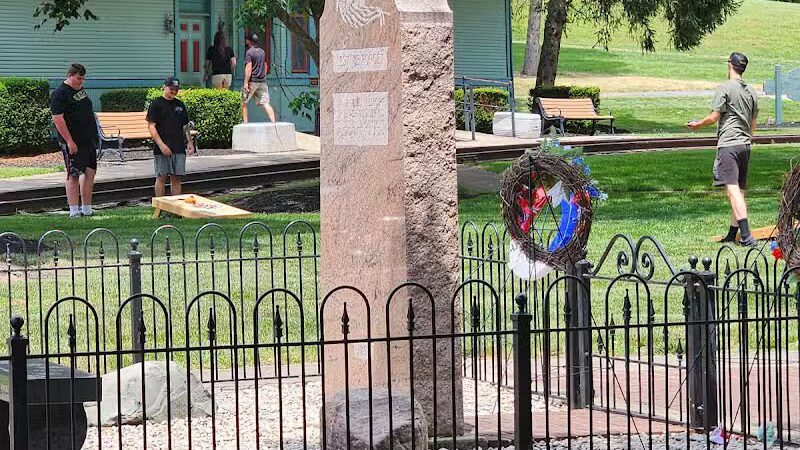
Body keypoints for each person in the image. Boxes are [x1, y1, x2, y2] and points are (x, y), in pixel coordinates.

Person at [689, 52, 759, 246]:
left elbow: (713, 118)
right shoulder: (752, 91)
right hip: (745, 145)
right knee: (739, 191)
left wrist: (697, 125)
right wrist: (746, 139)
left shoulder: (725, 88)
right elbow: (753, 124)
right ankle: (732, 234)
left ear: (730, 65)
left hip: (728, 144)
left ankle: (746, 236)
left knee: (733, 191)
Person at [51, 63, 98, 218]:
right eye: (79, 78)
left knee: (90, 171)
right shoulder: (60, 93)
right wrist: (69, 141)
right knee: (73, 174)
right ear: (70, 76)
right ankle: (73, 210)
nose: (81, 81)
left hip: (88, 139)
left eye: (83, 79)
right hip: (73, 140)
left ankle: (87, 208)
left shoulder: (80, 90)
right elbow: (58, 119)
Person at [146, 77, 195, 197]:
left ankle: (176, 208)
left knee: (177, 178)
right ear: (165, 87)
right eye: (171, 89)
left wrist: (189, 142)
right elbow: (151, 126)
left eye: (176, 89)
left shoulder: (180, 104)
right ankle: (160, 206)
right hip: (162, 146)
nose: (174, 91)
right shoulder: (156, 104)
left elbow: (185, 125)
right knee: (161, 177)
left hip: (178, 146)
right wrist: (161, 145)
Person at [241, 33, 276, 123]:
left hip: (252, 82)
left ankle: (245, 124)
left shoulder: (249, 52)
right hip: (262, 82)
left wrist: (246, 82)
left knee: (244, 103)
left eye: (246, 40)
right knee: (266, 103)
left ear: (249, 41)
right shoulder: (262, 52)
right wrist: (263, 76)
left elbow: (249, 67)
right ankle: (273, 123)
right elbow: (265, 65)